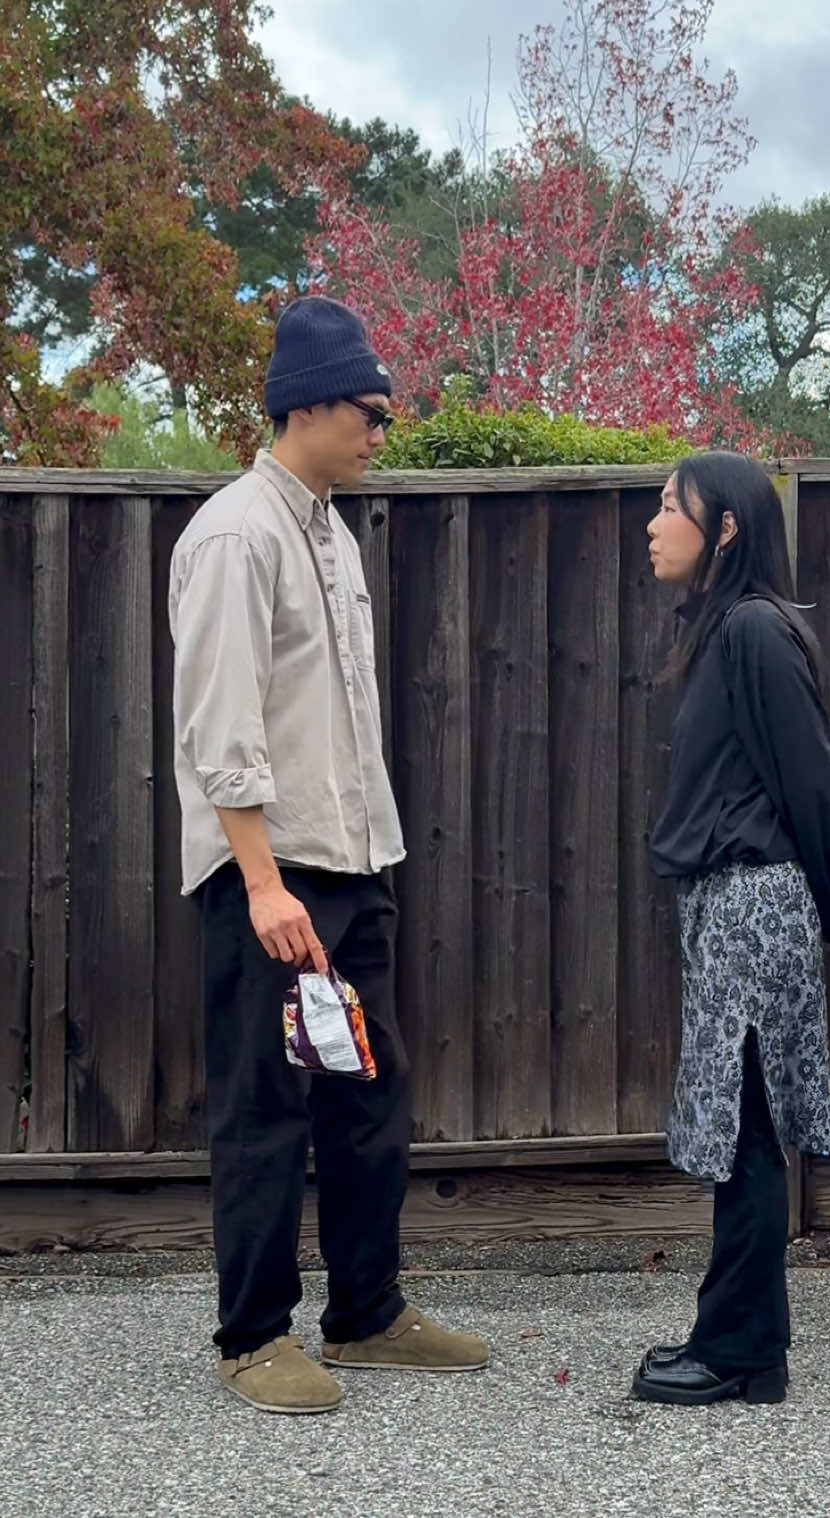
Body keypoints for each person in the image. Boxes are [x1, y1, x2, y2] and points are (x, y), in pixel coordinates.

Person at [169, 295, 488, 1415]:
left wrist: (364, 866)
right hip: (268, 876)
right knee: (265, 1107)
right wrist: (261, 883)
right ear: (303, 404)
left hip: (355, 867)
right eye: (369, 412)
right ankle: (254, 1336)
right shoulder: (235, 534)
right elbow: (220, 727)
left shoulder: (332, 533)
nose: (382, 432)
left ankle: (366, 1314)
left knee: (370, 1095)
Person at [631, 451, 830, 1409]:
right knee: (741, 1126)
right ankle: (742, 1340)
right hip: (727, 906)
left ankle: (740, 1350)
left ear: (725, 528)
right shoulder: (724, 630)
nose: (652, 525)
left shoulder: (756, 629)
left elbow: (811, 781)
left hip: (754, 908)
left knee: (749, 1128)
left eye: (669, 507)